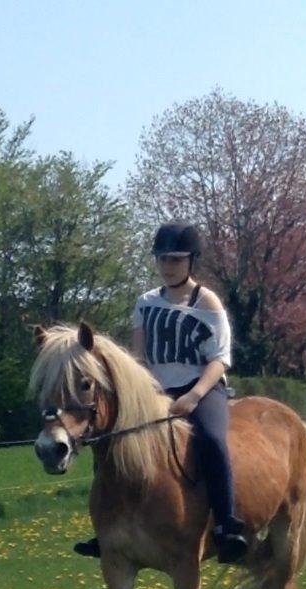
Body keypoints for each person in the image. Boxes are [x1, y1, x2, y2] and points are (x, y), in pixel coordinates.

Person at [74, 220, 248, 564]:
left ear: (191, 261)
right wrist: (146, 394)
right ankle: (107, 526)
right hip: (155, 391)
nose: (168, 266)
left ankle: (225, 524)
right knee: (111, 441)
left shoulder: (207, 303)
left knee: (212, 439)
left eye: (176, 260)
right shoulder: (146, 303)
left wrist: (194, 396)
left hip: (202, 389)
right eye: (163, 259)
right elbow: (139, 358)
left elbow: (220, 360)